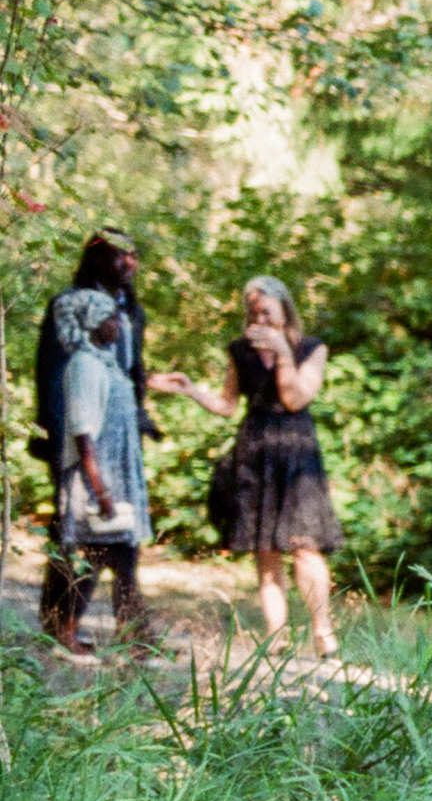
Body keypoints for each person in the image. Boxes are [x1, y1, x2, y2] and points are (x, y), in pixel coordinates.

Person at [176, 276, 344, 656]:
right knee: (264, 549)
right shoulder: (239, 350)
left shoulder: (311, 349)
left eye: (266, 310)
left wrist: (283, 353)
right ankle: (277, 635)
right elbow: (227, 405)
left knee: (305, 546)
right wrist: (190, 389)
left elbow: (296, 398)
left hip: (298, 454)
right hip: (254, 452)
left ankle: (323, 632)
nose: (260, 318)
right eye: (253, 312)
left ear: (285, 309)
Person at [32, 229, 178, 650]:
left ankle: (134, 632)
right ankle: (60, 625)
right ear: (97, 259)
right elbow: (55, 378)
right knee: (79, 534)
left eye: (134, 256)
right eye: (120, 256)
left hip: (121, 436)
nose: (129, 264)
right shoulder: (70, 307)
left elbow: (131, 372)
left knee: (123, 538)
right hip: (81, 441)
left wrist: (141, 412)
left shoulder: (130, 309)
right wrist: (67, 445)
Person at [47, 290, 154, 650]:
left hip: (117, 474)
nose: (117, 324)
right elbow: (83, 432)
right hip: (97, 477)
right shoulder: (84, 366)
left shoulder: (106, 362)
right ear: (92, 322)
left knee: (124, 558)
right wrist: (102, 489)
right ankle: (67, 631)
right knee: (92, 558)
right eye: (109, 317)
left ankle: (135, 636)